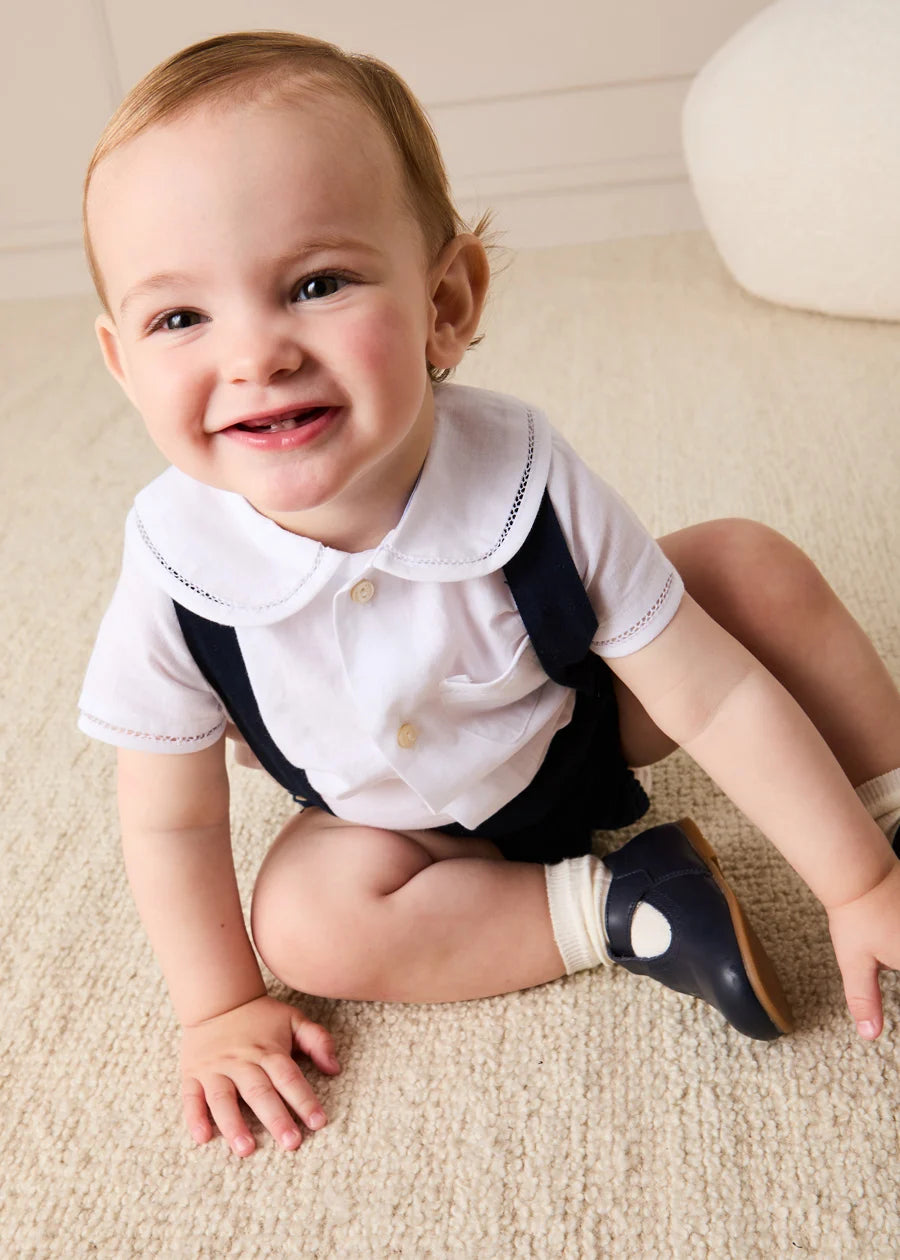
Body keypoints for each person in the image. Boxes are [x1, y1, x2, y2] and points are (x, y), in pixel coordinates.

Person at [78, 30, 900, 1160]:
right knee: (304, 923)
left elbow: (708, 697)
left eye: (316, 285)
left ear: (446, 301)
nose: (255, 355)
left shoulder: (522, 478)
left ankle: (888, 800)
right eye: (181, 318)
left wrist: (857, 880)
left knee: (746, 569)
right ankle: (627, 904)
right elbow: (171, 815)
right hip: (395, 826)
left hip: (582, 717)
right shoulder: (176, 564)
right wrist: (216, 1007)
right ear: (123, 365)